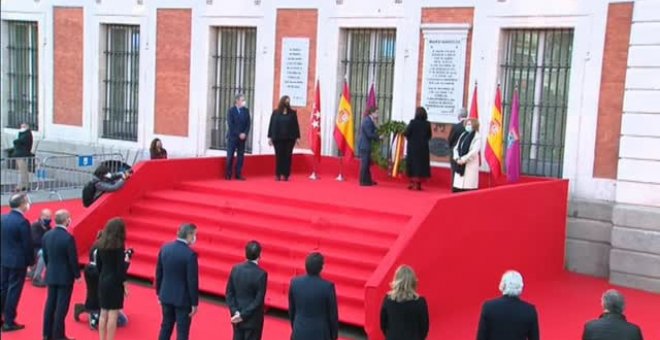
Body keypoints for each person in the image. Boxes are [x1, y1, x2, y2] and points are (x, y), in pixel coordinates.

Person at [73, 231, 129, 330]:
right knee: (103, 296)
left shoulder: (96, 245)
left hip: (90, 269)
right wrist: (126, 262)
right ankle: (93, 312)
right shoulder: (106, 248)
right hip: (102, 272)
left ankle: (89, 310)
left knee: (93, 293)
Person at [156, 223, 199, 340]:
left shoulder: (165, 248)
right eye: (195, 235)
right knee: (182, 332)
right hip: (183, 299)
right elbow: (192, 280)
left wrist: (158, 292)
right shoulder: (190, 255)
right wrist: (194, 302)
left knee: (166, 326)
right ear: (189, 235)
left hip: (166, 294)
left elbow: (159, 273)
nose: (195, 238)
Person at [41, 209, 80, 340]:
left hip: (51, 274)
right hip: (65, 278)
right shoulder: (68, 238)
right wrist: (77, 275)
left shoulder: (47, 235)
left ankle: (47, 334)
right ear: (66, 220)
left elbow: (45, 256)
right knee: (61, 309)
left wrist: (50, 268)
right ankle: (59, 336)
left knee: (50, 305)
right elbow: (72, 259)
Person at [0, 193, 34, 332]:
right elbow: (27, 244)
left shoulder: (3, 218)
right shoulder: (22, 222)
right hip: (18, 261)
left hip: (4, 259)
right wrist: (31, 262)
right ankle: (9, 320)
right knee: (13, 291)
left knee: (3, 288)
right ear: (22, 204)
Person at [288, 252, 338, 340]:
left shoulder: (295, 283)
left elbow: (292, 310)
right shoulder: (327, 287)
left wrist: (295, 326)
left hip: (299, 331)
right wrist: (333, 336)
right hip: (320, 334)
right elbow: (333, 315)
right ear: (321, 268)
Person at [476, 270, 539, 340]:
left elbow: (481, 338)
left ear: (503, 286)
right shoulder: (529, 311)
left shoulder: (489, 307)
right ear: (521, 287)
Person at [226, 241, 268, 340]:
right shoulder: (261, 274)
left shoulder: (236, 269)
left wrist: (235, 311)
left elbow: (229, 293)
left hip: (236, 317)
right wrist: (243, 315)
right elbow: (258, 300)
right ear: (260, 254)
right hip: (252, 319)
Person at [97, 218, 130, 340]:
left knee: (103, 312)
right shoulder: (119, 246)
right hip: (114, 282)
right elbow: (120, 269)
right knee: (113, 314)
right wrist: (125, 284)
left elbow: (99, 264)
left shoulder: (101, 243)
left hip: (103, 279)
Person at [380, 265, 429, 340]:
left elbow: (383, 324)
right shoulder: (420, 302)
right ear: (413, 282)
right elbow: (424, 328)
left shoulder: (388, 300)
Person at [268, 95, 301, 181]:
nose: (287, 103)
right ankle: (278, 174)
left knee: (288, 156)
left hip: (289, 139)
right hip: (278, 138)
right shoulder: (275, 113)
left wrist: (297, 137)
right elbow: (271, 125)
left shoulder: (292, 113)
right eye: (286, 101)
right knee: (279, 156)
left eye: (288, 101)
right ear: (282, 102)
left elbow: (296, 125)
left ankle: (286, 174)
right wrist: (270, 137)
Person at [404, 107, 432, 191]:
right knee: (421, 165)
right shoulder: (427, 124)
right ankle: (418, 184)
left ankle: (413, 182)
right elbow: (429, 135)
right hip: (423, 148)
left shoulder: (413, 122)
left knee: (413, 164)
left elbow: (407, 133)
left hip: (413, 147)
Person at [452, 118, 481, 193]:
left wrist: (463, 160)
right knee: (458, 189)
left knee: (467, 189)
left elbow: (474, 152)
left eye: (469, 124)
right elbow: (456, 148)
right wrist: (457, 158)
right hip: (459, 164)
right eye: (467, 124)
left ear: (474, 125)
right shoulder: (463, 135)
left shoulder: (477, 137)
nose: (467, 126)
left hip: (469, 165)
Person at [226, 94, 251, 181]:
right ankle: (228, 173)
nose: (244, 101)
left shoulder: (246, 111)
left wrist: (245, 133)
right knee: (230, 155)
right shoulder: (231, 111)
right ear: (237, 101)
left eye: (244, 100)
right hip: (233, 137)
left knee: (240, 156)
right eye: (242, 100)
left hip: (242, 138)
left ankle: (238, 174)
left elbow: (248, 123)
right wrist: (239, 133)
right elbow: (231, 124)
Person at [29, 209, 53, 287]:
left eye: (49, 217)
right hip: (34, 249)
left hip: (43, 248)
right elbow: (34, 240)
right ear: (41, 216)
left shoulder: (49, 227)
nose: (48, 219)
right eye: (46, 217)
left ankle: (33, 272)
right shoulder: (35, 226)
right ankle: (37, 277)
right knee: (43, 254)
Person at [357, 107, 380, 186]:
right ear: (372, 113)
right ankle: (363, 181)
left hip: (367, 145)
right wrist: (378, 137)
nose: (378, 114)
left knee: (367, 164)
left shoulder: (370, 121)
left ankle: (368, 181)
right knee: (364, 164)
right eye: (376, 113)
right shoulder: (367, 121)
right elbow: (369, 134)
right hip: (364, 145)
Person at [11, 123, 34, 192]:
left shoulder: (27, 134)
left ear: (27, 127)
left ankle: (23, 185)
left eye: (24, 126)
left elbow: (19, 141)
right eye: (21, 126)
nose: (22, 127)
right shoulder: (23, 133)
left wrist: (15, 141)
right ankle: (24, 185)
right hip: (20, 154)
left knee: (23, 171)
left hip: (22, 154)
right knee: (22, 171)